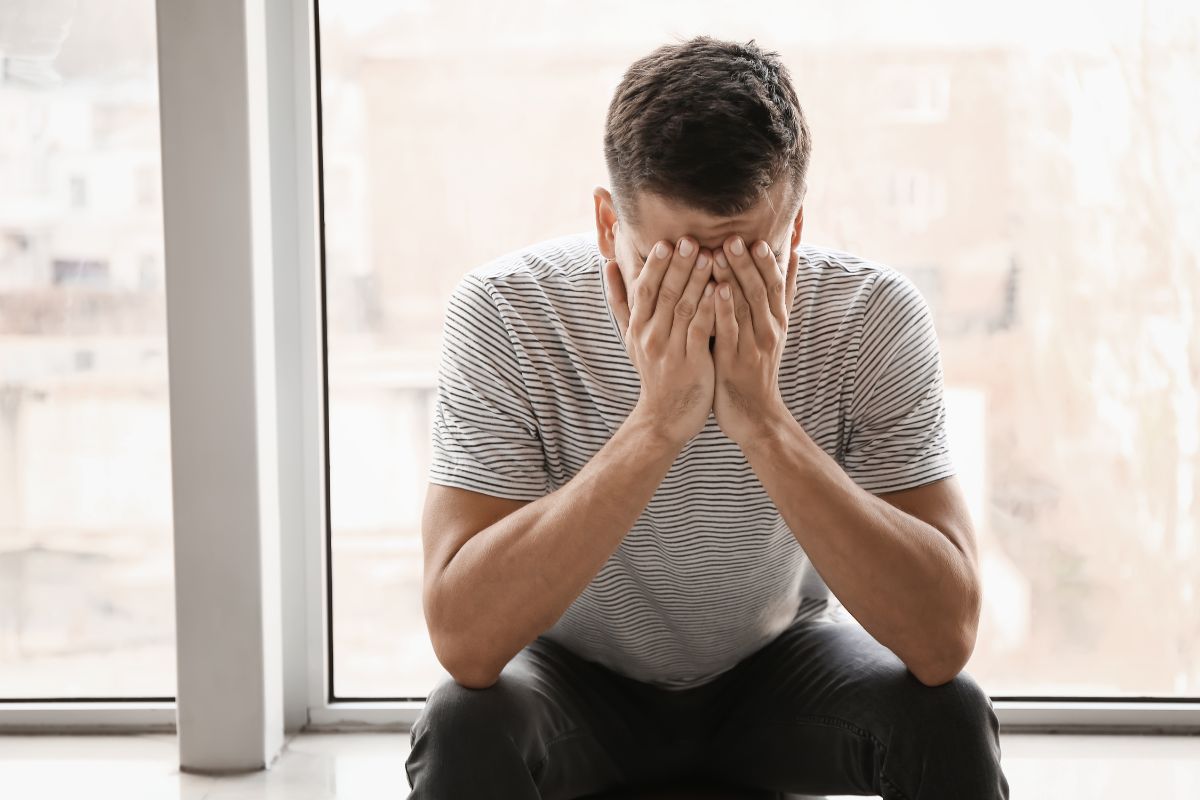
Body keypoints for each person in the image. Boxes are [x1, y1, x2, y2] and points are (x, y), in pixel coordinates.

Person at [405, 35, 1009, 800]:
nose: (712, 299)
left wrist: (762, 419)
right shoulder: (508, 312)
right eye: (677, 263)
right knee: (462, 721)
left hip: (775, 673)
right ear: (606, 227)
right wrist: (657, 424)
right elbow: (464, 640)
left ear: (793, 232)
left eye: (745, 261)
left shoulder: (869, 317)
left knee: (948, 714)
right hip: (572, 681)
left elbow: (942, 637)